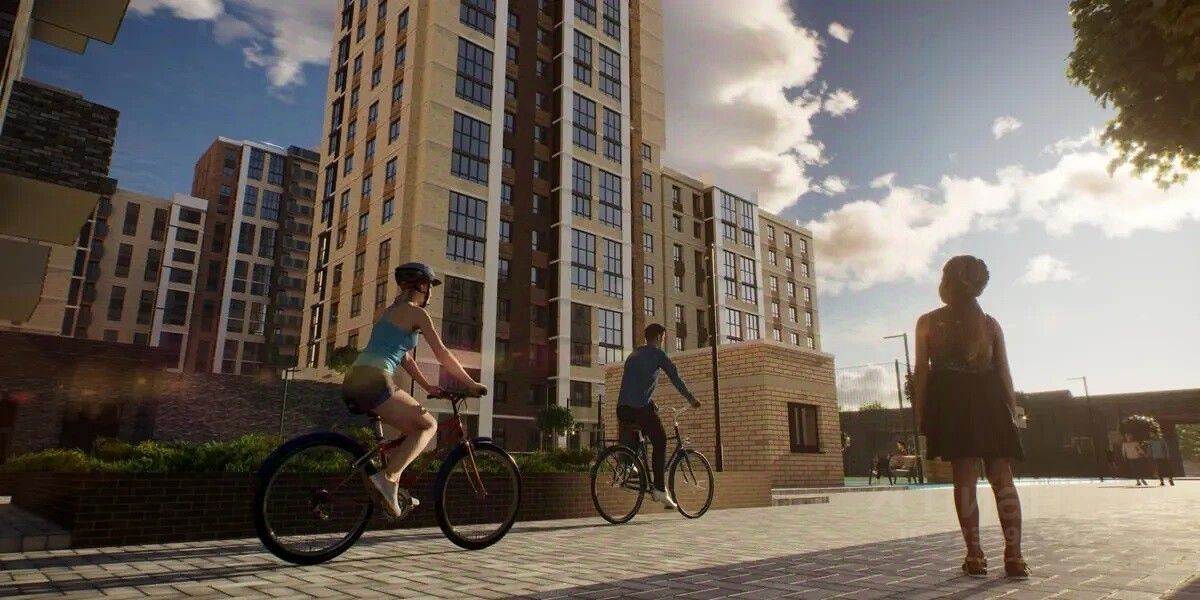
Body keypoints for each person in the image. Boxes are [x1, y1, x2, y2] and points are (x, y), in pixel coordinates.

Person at [341, 262, 487, 517]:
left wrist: (427, 386)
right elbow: (442, 353)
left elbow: (405, 358)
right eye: (430, 286)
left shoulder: (388, 313)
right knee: (428, 425)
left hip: (354, 378)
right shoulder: (417, 314)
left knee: (412, 432)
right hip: (376, 379)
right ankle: (388, 478)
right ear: (422, 286)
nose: (430, 293)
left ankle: (389, 486)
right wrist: (471, 384)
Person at [913, 256, 1028, 579]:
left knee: (964, 478)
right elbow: (1004, 373)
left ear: (948, 282)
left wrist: (921, 412)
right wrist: (1012, 413)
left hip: (952, 402)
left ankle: (975, 555)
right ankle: (1015, 557)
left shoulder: (927, 322)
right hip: (991, 401)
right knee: (1002, 477)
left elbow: (922, 372)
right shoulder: (990, 324)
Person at [616, 323, 702, 509]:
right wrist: (691, 399)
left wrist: (650, 401)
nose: (662, 341)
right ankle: (659, 489)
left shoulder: (634, 354)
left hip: (622, 408)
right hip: (639, 408)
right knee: (660, 440)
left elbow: (635, 384)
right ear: (657, 338)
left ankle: (628, 464)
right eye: (662, 338)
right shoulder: (657, 354)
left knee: (642, 430)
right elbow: (675, 377)